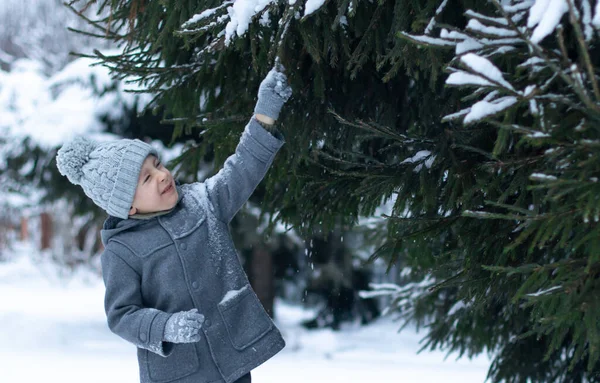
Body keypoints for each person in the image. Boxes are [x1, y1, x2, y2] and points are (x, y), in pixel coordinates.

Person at [56, 66, 292, 383]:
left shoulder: (204, 203)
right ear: (128, 205)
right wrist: (164, 327)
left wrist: (264, 114)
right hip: (179, 374)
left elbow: (242, 167)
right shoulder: (122, 252)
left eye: (158, 165)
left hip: (231, 362)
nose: (163, 175)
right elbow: (122, 314)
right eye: (147, 178)